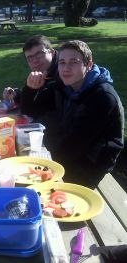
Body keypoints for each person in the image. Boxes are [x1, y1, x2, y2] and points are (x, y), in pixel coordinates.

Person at [44, 40, 124, 188]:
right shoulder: (69, 84)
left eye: (73, 62)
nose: (66, 68)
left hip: (89, 166)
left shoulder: (102, 97)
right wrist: (23, 92)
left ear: (89, 65)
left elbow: (76, 144)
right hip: (71, 153)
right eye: (62, 62)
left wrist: (45, 162)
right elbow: (36, 105)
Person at [2, 35, 63, 120]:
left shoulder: (63, 72)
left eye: (39, 54)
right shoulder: (45, 70)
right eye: (30, 58)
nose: (35, 60)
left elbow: (38, 108)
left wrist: (30, 91)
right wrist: (16, 94)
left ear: (51, 53)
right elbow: (32, 102)